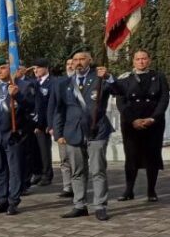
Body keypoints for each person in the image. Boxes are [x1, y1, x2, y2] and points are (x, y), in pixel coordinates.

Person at [53, 49, 116, 221]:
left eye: (82, 59)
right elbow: (59, 110)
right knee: (77, 171)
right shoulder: (64, 83)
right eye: (75, 60)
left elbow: (118, 90)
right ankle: (79, 205)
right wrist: (58, 133)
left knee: (97, 170)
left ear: (90, 60)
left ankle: (100, 206)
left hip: (97, 130)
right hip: (73, 132)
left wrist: (109, 76)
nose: (78, 62)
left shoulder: (99, 77)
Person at [110, 49, 168, 202]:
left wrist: (153, 118)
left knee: (152, 157)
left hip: (153, 123)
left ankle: (151, 191)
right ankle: (129, 190)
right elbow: (121, 102)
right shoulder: (124, 79)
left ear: (149, 60)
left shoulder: (159, 77)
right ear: (133, 61)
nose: (141, 62)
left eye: (144, 59)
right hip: (131, 124)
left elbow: (163, 99)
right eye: (138, 59)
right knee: (131, 157)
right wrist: (133, 120)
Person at [0, 60, 31, 215]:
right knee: (0, 170)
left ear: (11, 70)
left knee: (14, 169)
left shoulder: (22, 86)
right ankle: (2, 199)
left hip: (13, 135)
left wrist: (17, 96)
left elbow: (30, 107)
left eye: (3, 68)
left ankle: (13, 201)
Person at [51, 58, 76, 198]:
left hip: (78, 127)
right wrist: (55, 129)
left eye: (72, 63)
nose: (70, 66)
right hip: (64, 127)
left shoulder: (83, 82)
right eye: (68, 64)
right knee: (64, 159)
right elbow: (55, 108)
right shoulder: (59, 83)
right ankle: (67, 186)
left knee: (77, 160)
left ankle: (78, 186)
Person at [31, 59, 55, 186]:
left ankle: (47, 174)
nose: (36, 71)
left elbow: (50, 105)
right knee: (36, 150)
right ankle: (38, 173)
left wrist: (46, 124)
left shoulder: (52, 82)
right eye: (35, 68)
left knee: (45, 150)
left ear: (46, 68)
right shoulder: (35, 83)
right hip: (34, 123)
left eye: (38, 68)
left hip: (45, 123)